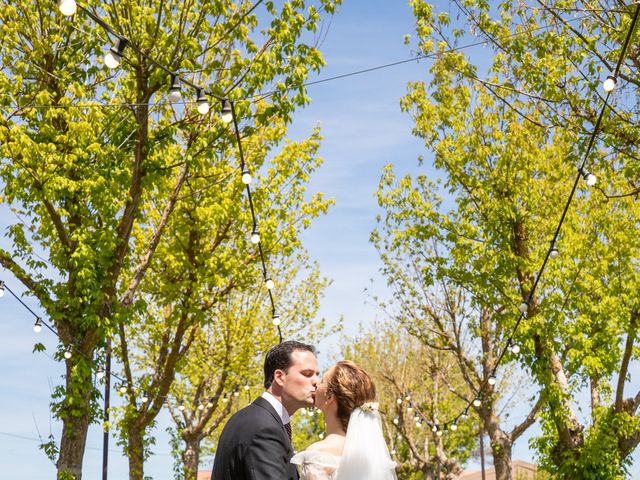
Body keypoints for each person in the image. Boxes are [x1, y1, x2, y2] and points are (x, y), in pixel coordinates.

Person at [212, 340, 319, 480]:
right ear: (280, 377)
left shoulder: (252, 418)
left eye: (317, 374)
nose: (316, 381)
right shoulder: (264, 427)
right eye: (307, 373)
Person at [291, 361, 397, 480]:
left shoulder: (319, 455)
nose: (316, 383)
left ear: (329, 396)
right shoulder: (373, 455)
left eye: (322, 381)